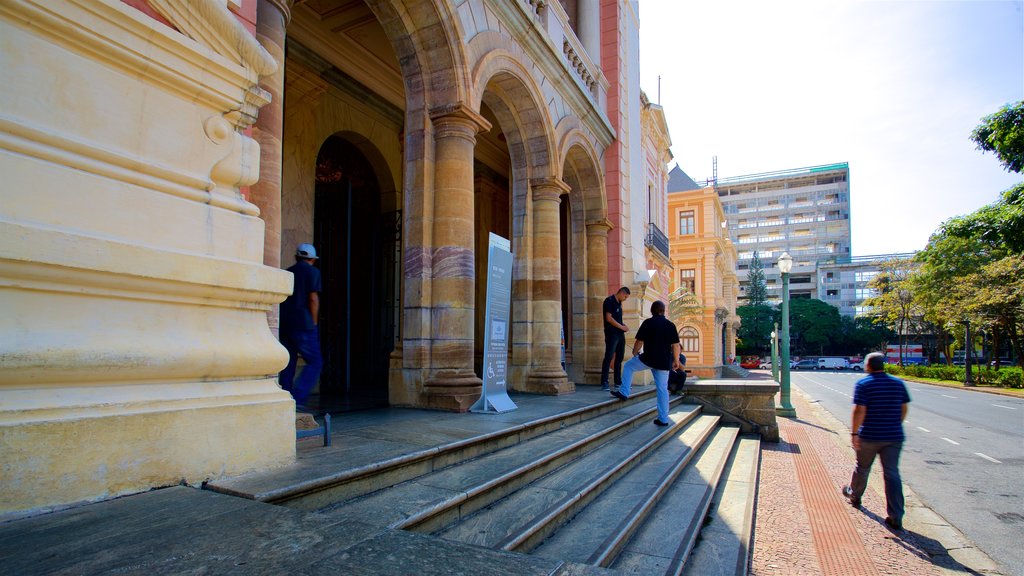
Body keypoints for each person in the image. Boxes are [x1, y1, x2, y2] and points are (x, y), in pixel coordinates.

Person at [842, 351, 911, 531]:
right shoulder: (898, 383)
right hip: (893, 435)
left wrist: (855, 433)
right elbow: (903, 409)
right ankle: (896, 515)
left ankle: (855, 495)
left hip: (869, 435)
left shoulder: (864, 384)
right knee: (892, 473)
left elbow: (859, 410)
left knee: (862, 468)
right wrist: (895, 424)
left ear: (868, 366)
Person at [610, 300, 682, 426]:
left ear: (652, 311)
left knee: (628, 366)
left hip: (648, 359)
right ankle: (663, 419)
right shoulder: (670, 325)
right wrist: (676, 361)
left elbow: (639, 341)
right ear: (663, 311)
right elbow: (676, 345)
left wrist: (634, 352)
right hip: (664, 362)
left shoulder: (648, 323)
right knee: (662, 390)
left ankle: (624, 392)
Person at [279, 243, 323, 411]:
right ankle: (298, 397)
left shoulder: (288, 272)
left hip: (286, 323)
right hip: (303, 324)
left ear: (297, 257)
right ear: (312, 259)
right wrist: (314, 322)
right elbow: (313, 298)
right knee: (315, 361)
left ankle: (285, 397)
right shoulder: (313, 272)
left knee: (289, 362)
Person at [600, 287, 631, 392]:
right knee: (608, 356)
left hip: (620, 334)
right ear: (622, 293)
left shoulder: (619, 303)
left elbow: (618, 319)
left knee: (619, 357)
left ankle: (618, 382)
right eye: (625, 296)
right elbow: (608, 318)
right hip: (611, 334)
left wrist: (624, 326)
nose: (625, 299)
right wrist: (622, 327)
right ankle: (604, 382)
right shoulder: (609, 301)